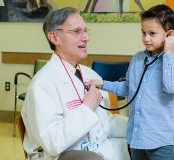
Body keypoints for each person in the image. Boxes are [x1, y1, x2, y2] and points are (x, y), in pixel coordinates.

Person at [21, 7, 130, 160]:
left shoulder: (91, 74)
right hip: (59, 155)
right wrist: (87, 107)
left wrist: (139, 126)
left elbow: (105, 122)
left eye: (86, 31)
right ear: (54, 38)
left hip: (95, 147)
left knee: (146, 144)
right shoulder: (43, 83)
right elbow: (54, 143)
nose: (86, 38)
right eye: (77, 32)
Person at [87, 4, 174, 160]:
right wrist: (103, 84)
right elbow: (129, 88)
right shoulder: (137, 59)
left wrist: (168, 54)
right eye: (143, 33)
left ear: (169, 35)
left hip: (161, 142)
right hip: (136, 139)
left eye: (152, 33)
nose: (146, 38)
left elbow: (171, 87)